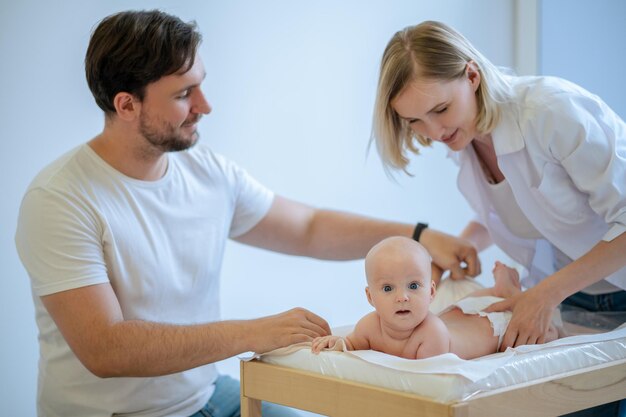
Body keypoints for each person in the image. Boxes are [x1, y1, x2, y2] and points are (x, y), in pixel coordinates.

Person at [13, 11, 480, 417]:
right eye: (184, 95)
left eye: (201, 85)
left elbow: (308, 229)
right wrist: (256, 332)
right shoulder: (60, 200)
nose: (205, 106)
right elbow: (105, 348)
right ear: (126, 105)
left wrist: (419, 235)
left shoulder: (205, 172)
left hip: (206, 395)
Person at [371, 20, 626, 416]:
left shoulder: (551, 112)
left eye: (440, 109)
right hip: (574, 297)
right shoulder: (465, 136)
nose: (434, 131)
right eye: (415, 121)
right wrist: (465, 244)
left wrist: (545, 294)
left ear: (471, 75)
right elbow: (520, 206)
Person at [311, 237, 556, 359]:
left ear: (430, 292)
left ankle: (509, 292)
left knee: (544, 334)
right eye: (388, 289)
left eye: (413, 286)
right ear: (370, 297)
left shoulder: (431, 335)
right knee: (458, 310)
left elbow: (426, 382)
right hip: (457, 315)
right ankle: (499, 290)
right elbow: (351, 345)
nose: (403, 297)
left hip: (495, 328)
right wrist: (337, 343)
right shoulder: (368, 326)